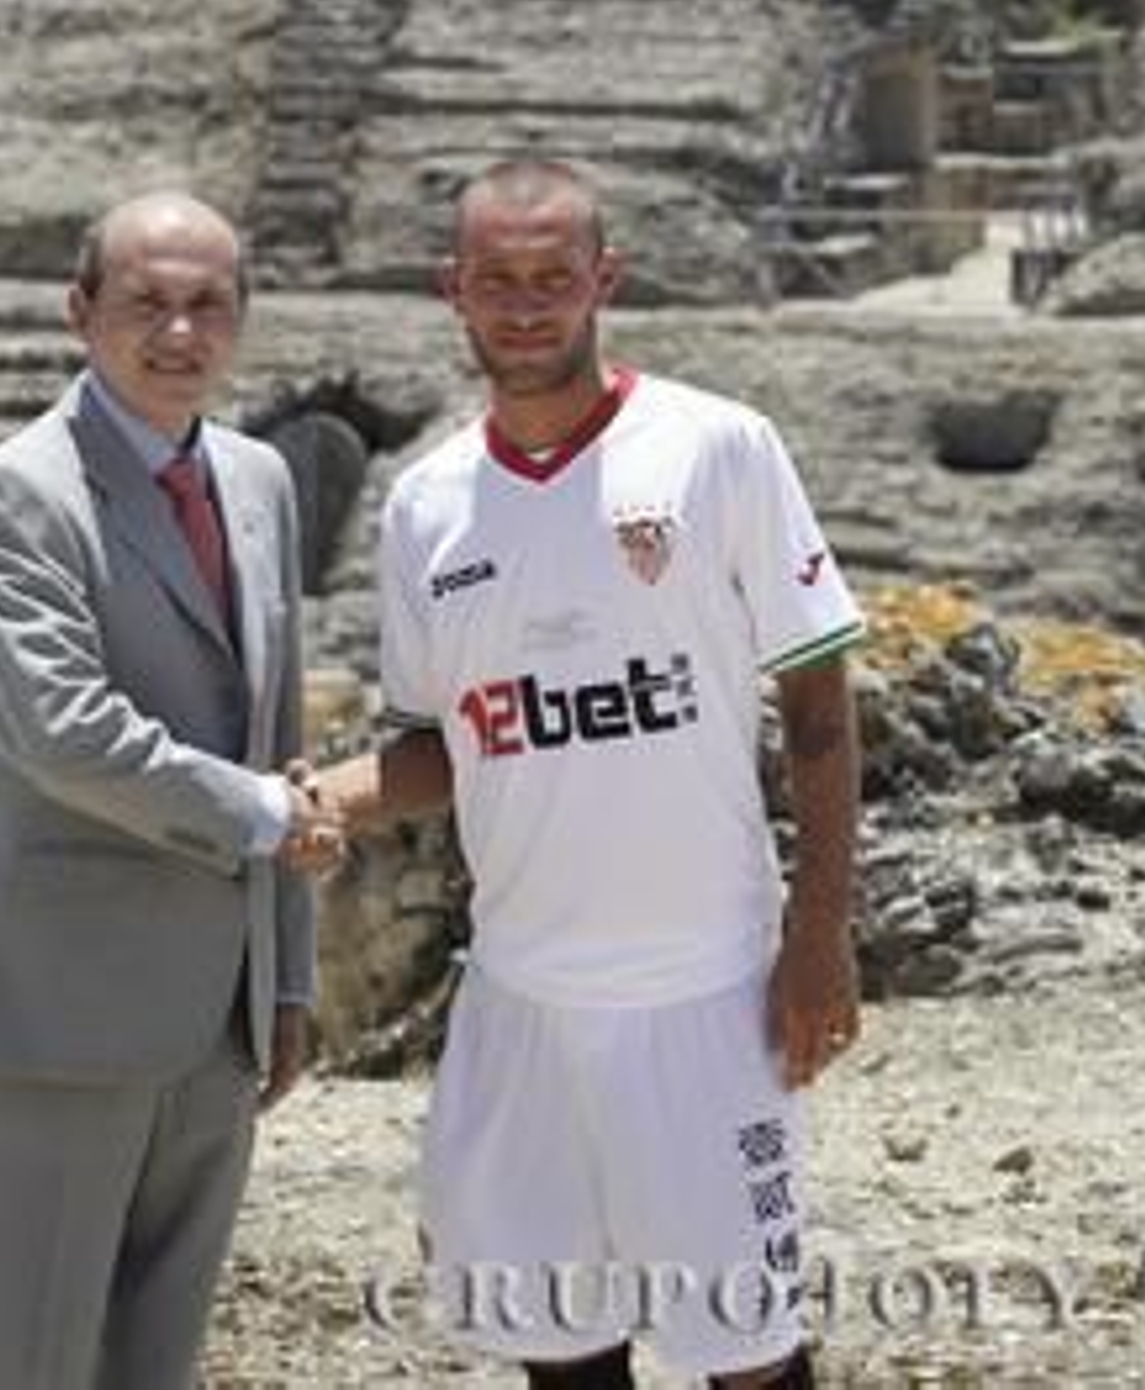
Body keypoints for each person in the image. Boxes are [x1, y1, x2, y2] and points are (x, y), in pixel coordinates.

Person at [318, 156, 865, 1389]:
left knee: (749, 1356)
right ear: (450, 289)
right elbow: (442, 743)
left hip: (705, 992)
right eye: (497, 281)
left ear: (602, 280)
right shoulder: (425, 508)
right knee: (557, 1349)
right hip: (520, 1001)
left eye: (553, 278)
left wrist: (821, 930)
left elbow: (821, 712)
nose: (526, 306)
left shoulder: (718, 447)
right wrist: (328, 799)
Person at [0, 189, 341, 1390]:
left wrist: (287, 979)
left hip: (213, 1025)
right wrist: (266, 813)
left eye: (208, 303)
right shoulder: (15, 494)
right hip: (56, 1017)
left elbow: (279, 734)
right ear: (81, 313)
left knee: (153, 1365)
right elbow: (61, 731)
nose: (179, 332)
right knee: (21, 1364)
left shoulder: (259, 480)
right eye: (146, 303)